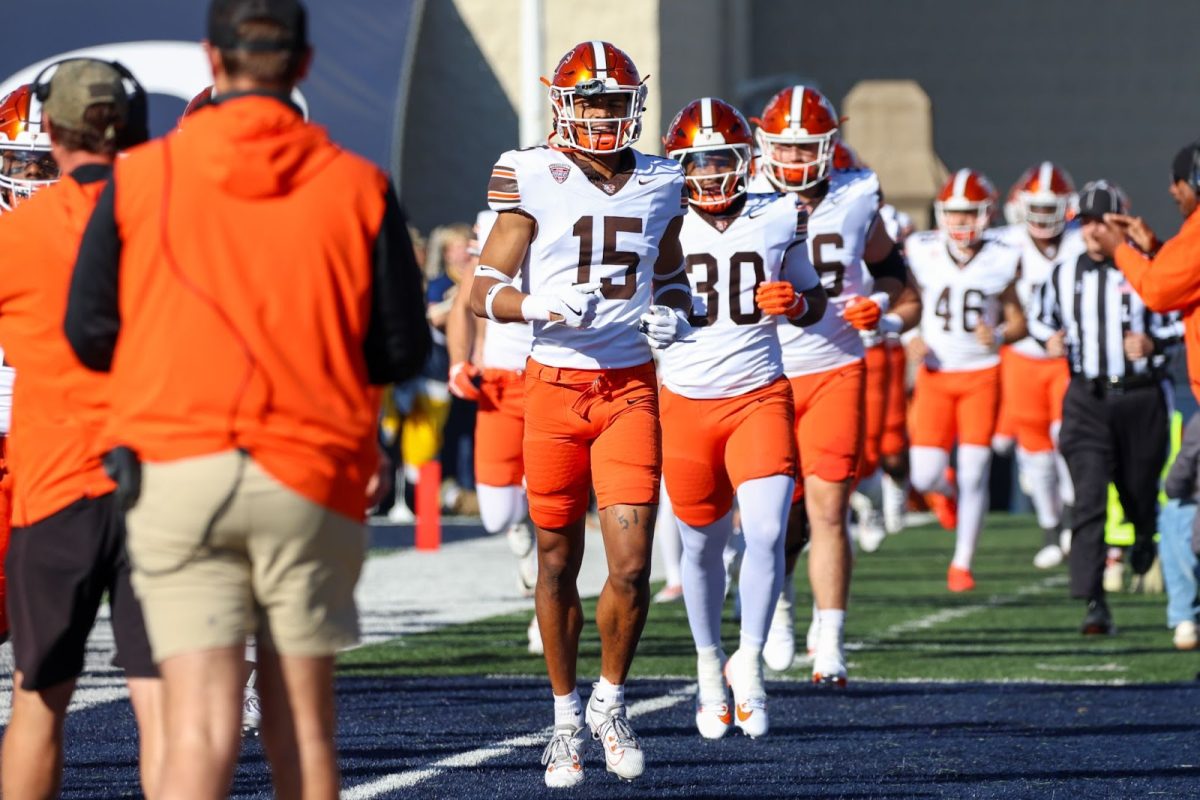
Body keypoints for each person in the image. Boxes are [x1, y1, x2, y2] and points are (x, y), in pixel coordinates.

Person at [63, 2, 431, 798]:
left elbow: (89, 333)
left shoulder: (140, 178)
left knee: (197, 722)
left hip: (178, 466)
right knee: (302, 722)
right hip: (308, 468)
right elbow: (402, 347)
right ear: (303, 66)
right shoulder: (358, 184)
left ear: (211, 58)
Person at [470, 40, 692, 787]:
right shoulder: (532, 171)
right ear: (563, 105)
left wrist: (675, 314)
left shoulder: (663, 179)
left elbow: (673, 275)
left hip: (630, 385)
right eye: (588, 101)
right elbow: (483, 286)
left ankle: (611, 701)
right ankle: (564, 721)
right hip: (554, 387)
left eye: (612, 101)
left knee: (630, 565)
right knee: (557, 557)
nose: (601, 114)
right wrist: (533, 303)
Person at [0, 64, 163, 799]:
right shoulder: (173, 218)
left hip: (54, 484)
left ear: (58, 136)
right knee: (166, 706)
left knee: (37, 700)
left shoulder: (19, 235)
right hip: (162, 486)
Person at [660, 97, 826, 739]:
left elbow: (812, 298)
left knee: (765, 529)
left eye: (718, 160)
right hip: (686, 400)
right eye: (694, 163)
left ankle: (748, 660)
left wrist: (796, 301)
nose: (706, 175)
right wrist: (654, 324)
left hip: (759, 394)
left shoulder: (780, 213)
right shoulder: (659, 220)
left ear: (743, 161)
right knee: (700, 548)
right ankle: (707, 664)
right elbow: (629, 300)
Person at [748, 85, 921, 681]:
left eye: (806, 147)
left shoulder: (856, 195)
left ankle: (831, 638)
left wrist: (883, 310)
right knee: (770, 518)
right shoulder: (737, 194)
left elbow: (901, 282)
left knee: (828, 508)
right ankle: (778, 610)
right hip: (761, 371)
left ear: (830, 145)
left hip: (833, 366)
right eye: (786, 146)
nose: (795, 160)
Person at [1029, 180, 1175, 634]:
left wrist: (1153, 341)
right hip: (1087, 397)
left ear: (1121, 224)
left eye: (1103, 223)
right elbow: (1040, 316)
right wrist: (1048, 339)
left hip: (1140, 395)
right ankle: (1093, 601)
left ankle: (1145, 534)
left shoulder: (1147, 268)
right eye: (1087, 223)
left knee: (1138, 490)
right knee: (1088, 497)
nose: (1093, 232)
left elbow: (1179, 321)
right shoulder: (1063, 273)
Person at [906, 168, 1026, 592]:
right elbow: (907, 301)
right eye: (954, 215)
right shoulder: (921, 251)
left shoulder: (1000, 255)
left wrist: (996, 335)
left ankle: (962, 562)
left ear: (985, 215)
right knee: (922, 477)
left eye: (968, 214)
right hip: (936, 374)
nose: (960, 224)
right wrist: (909, 336)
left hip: (981, 375)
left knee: (975, 471)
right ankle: (946, 491)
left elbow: (1018, 322)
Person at [446, 209, 541, 651]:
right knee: (497, 514)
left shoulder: (581, 211)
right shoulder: (492, 223)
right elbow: (462, 307)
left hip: (554, 375)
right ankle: (523, 534)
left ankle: (547, 613)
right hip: (501, 380)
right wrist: (458, 361)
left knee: (554, 505)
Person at [995, 162, 1082, 569]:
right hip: (1023, 359)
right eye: (1038, 208)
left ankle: (1071, 518)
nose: (1044, 217)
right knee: (1036, 454)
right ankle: (1050, 528)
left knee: (1069, 440)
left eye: (1052, 208)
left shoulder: (1082, 239)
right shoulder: (1005, 244)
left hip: (1069, 360)